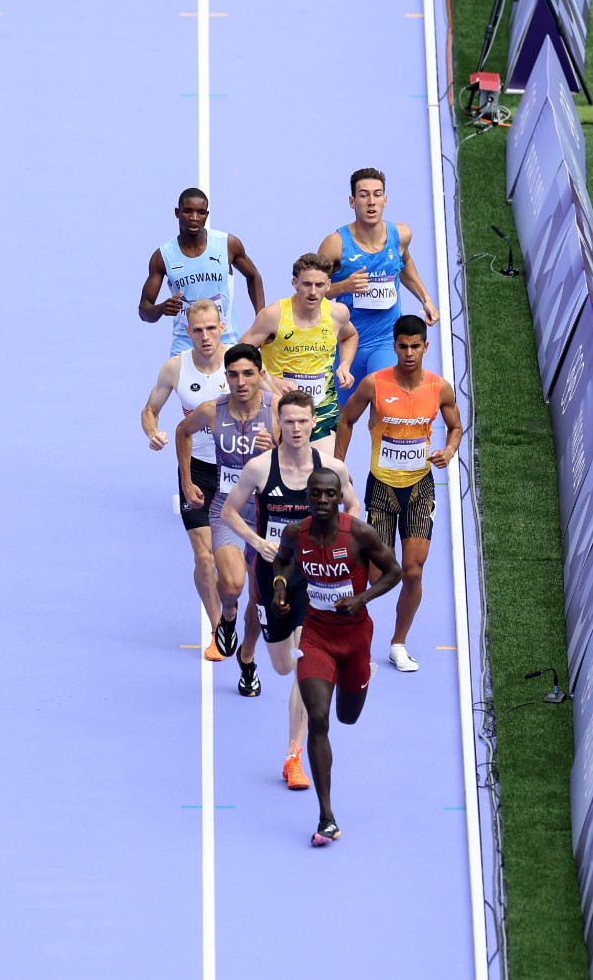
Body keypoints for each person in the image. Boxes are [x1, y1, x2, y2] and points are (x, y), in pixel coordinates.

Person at [222, 391, 360, 790]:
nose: (296, 429)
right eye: (289, 422)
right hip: (272, 574)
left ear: (313, 423)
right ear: (278, 424)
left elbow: (352, 507)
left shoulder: (331, 467)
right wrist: (257, 540)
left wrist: (336, 543)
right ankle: (252, 652)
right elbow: (230, 512)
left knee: (305, 667)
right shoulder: (260, 468)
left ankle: (293, 756)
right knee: (283, 664)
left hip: (315, 578)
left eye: (303, 422)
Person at [271, 468, 402, 846]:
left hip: (356, 637)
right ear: (308, 497)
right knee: (319, 719)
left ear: (339, 496)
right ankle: (326, 816)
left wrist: (361, 599)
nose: (323, 501)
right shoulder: (297, 533)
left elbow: (393, 573)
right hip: (316, 635)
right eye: (316, 495)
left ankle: (360, 677)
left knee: (348, 715)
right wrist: (281, 588)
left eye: (330, 494)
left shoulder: (358, 533)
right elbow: (282, 561)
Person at [334, 314, 462, 673]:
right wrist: (339, 471)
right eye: (402, 346)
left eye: (415, 347)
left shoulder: (440, 388)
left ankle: (398, 643)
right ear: (395, 346)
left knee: (413, 571)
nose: (409, 353)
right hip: (381, 488)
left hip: (420, 487)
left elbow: (455, 426)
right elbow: (346, 421)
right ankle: (354, 584)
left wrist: (449, 451)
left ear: (425, 347)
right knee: (379, 576)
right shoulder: (374, 384)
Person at [175, 343, 275, 661]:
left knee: (264, 594)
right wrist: (188, 480)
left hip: (268, 512)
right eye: (233, 375)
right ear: (226, 379)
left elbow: (299, 455)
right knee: (231, 585)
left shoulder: (278, 411)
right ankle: (227, 618)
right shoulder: (211, 410)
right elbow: (182, 432)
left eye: (248, 374)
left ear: (261, 375)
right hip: (227, 509)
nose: (241, 382)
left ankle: (248, 658)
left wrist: (276, 447)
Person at [143, 301, 230, 637]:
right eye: (198, 330)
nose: (205, 336)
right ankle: (218, 627)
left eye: (211, 328)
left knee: (234, 562)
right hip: (196, 472)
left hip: (238, 471)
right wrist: (153, 432)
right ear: (187, 332)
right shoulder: (175, 369)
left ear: (222, 327)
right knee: (205, 558)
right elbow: (149, 409)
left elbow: (272, 399)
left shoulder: (241, 362)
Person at [319, 168, 438, 406]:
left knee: (385, 406)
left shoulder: (401, 235)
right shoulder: (335, 244)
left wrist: (425, 299)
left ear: (385, 200)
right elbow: (312, 293)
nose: (371, 201)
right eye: (363, 195)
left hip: (385, 340)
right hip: (346, 340)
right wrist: (344, 286)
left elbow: (404, 263)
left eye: (377, 194)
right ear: (352, 201)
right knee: (337, 419)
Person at [239, 253, 359, 457]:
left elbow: (350, 335)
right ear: (295, 282)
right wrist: (271, 379)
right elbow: (240, 356)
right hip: (278, 405)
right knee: (278, 473)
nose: (313, 292)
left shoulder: (337, 313)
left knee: (327, 473)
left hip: (321, 407)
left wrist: (344, 365)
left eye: (319, 285)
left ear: (328, 285)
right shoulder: (273, 315)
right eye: (307, 284)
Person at [139, 187, 267, 354]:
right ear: (177, 213)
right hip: (186, 341)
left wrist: (260, 320)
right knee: (170, 379)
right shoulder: (162, 257)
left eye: (201, 212)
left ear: (207, 215)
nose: (194, 218)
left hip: (225, 338)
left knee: (241, 379)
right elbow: (144, 311)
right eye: (187, 211)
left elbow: (254, 276)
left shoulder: (228, 244)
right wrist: (161, 309)